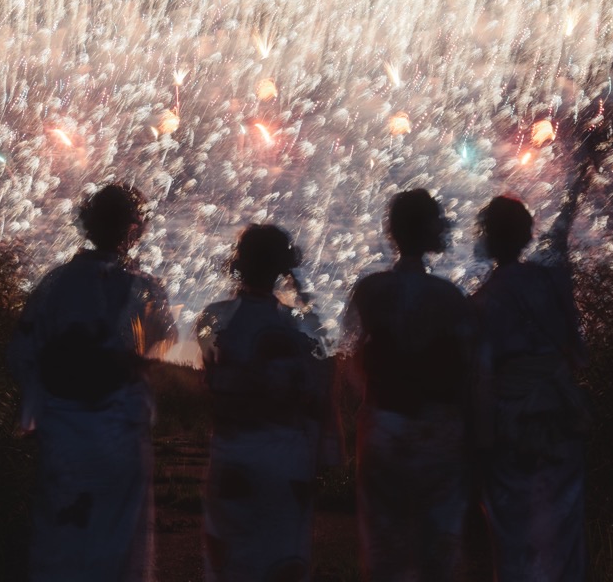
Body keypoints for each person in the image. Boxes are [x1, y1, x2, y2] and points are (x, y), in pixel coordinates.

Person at [8, 184, 175, 582]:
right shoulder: (145, 287)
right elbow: (160, 341)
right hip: (119, 432)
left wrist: (35, 410)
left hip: (63, 428)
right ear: (134, 229)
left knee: (62, 536)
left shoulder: (56, 284)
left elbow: (24, 351)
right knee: (117, 539)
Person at [343, 188, 477, 582]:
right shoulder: (450, 298)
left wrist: (371, 408)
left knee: (384, 545)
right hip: (438, 432)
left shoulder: (370, 290)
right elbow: (468, 371)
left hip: (383, 427)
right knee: (437, 546)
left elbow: (350, 357)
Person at [196, 223, 330, 582]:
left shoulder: (213, 318)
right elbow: (318, 390)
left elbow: (211, 375)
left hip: (231, 455)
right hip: (288, 461)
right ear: (283, 267)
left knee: (230, 563)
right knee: (283, 559)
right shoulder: (302, 325)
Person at [472, 195, 588, 582]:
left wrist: (480, 444)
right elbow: (576, 348)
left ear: (488, 238)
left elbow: (483, 376)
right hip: (559, 416)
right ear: (526, 234)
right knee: (562, 522)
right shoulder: (550, 279)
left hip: (513, 425)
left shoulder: (484, 301)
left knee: (513, 530)